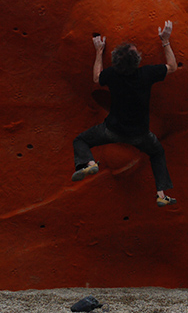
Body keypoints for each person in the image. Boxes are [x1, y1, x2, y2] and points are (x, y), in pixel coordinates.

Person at [71, 20, 178, 207]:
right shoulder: (146, 74)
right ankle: (161, 194)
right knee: (157, 153)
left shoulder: (112, 75)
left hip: (112, 131)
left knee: (81, 140)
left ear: (116, 61)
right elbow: (172, 66)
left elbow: (96, 77)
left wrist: (99, 51)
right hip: (140, 134)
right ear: (137, 61)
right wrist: (165, 41)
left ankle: (89, 163)